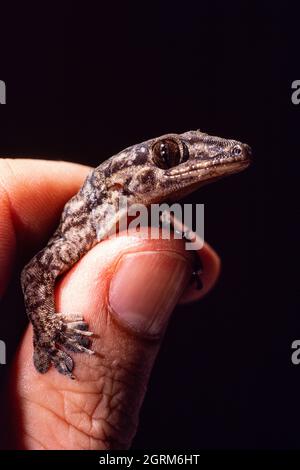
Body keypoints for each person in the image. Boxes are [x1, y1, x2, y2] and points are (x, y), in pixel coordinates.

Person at [0, 159, 220, 449]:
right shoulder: (85, 224)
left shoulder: (140, 217)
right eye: (167, 156)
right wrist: (49, 328)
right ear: (118, 184)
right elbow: (35, 273)